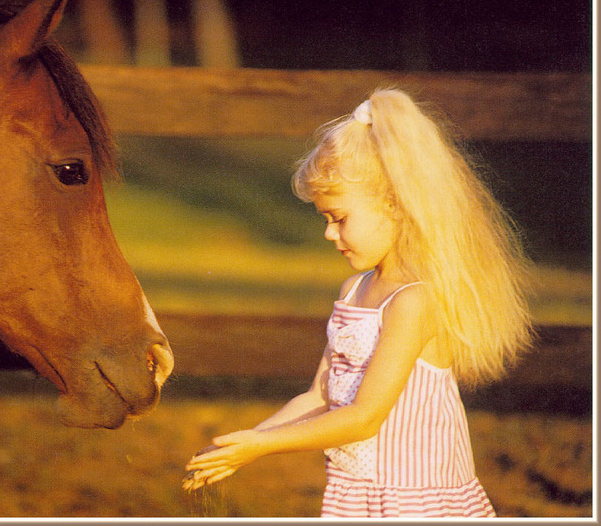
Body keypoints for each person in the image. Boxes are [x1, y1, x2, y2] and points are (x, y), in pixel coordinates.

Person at [182, 88, 533, 517]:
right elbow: (319, 395)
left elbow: (365, 417)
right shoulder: (353, 291)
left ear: (396, 205)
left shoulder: (415, 301)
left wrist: (261, 446)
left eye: (340, 218)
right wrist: (241, 444)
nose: (329, 233)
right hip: (357, 493)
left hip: (412, 502)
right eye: (326, 219)